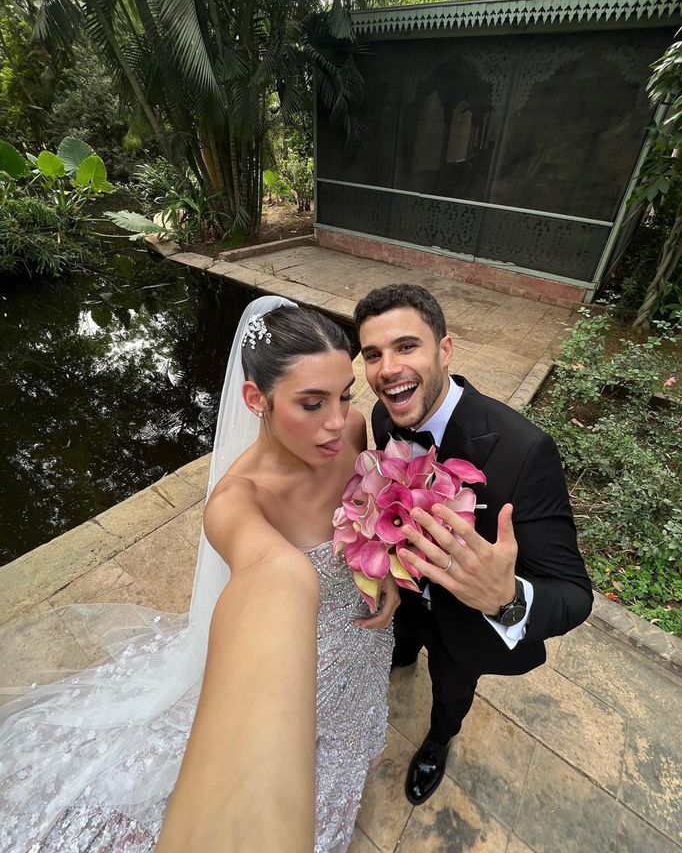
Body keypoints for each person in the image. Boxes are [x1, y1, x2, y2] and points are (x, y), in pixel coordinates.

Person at [0, 296, 397, 853]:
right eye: (311, 404)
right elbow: (270, 572)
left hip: (365, 640)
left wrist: (388, 571)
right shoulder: (236, 504)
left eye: (343, 395)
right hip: (289, 659)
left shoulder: (352, 430)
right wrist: (288, 579)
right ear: (256, 398)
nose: (336, 421)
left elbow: (367, 506)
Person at [354, 283, 593, 806]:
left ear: (445, 349)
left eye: (406, 346)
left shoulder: (524, 450)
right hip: (406, 598)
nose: (387, 368)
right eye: (373, 354)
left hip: (466, 625)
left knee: (452, 687)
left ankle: (440, 738)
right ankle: (404, 650)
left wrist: (503, 598)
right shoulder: (384, 417)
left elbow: (575, 595)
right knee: (403, 644)